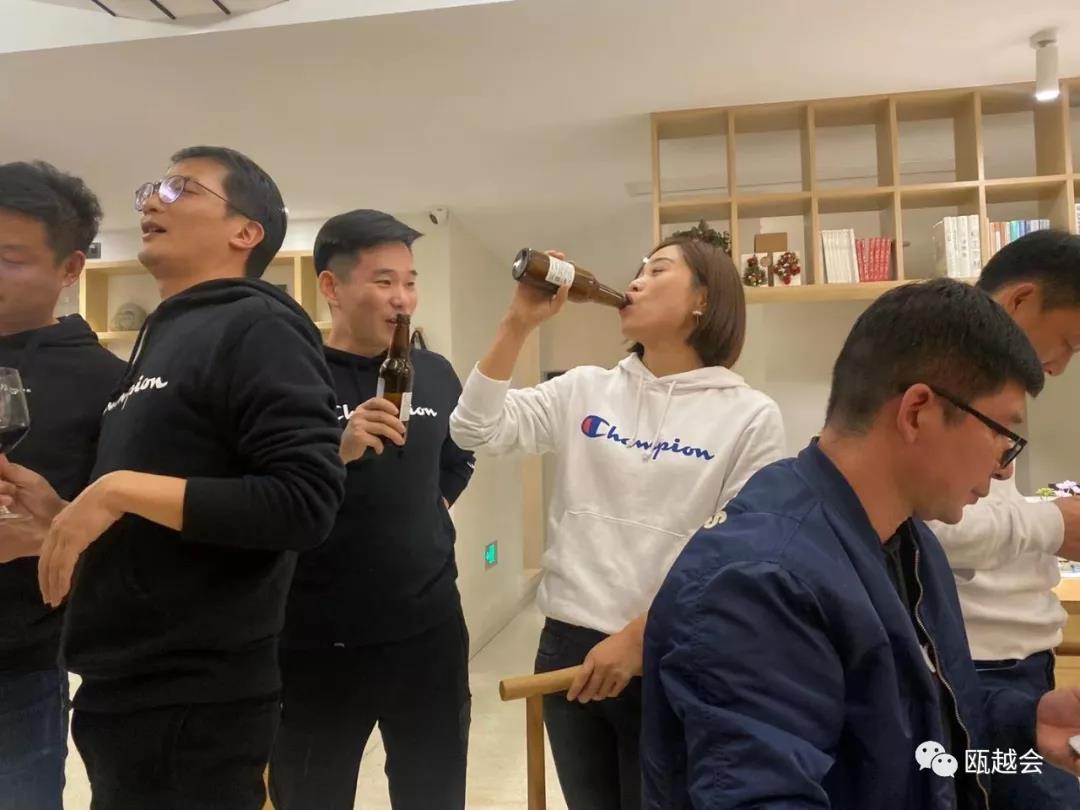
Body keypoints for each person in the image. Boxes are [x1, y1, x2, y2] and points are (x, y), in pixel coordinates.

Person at [642, 278, 1080, 809]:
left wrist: (1024, 724)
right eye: (1001, 433)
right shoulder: (763, 583)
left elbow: (922, 747)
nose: (1002, 464)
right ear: (917, 412)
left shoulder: (910, 543)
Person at [0, 146, 346, 810]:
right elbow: (165, 521)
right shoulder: (166, 336)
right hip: (128, 688)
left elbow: (305, 502)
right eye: (152, 190)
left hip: (196, 697)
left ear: (245, 231)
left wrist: (117, 489)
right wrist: (62, 515)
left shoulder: (258, 323)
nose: (151, 201)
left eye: (181, 188)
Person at [450, 235, 785, 810]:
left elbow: (740, 556)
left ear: (703, 300)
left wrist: (638, 639)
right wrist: (517, 322)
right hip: (568, 648)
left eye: (658, 271)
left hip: (671, 648)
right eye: (638, 269)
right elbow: (472, 430)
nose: (635, 281)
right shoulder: (586, 388)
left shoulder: (750, 416)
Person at [269, 210, 476, 810]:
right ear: (331, 287)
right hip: (315, 637)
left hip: (429, 631)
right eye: (384, 281)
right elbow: (264, 492)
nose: (402, 298)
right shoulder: (291, 376)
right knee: (310, 793)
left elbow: (459, 457)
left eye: (410, 281)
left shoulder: (434, 372)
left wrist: (430, 508)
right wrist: (338, 450)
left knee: (435, 794)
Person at [929, 230, 1080, 809]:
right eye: (1067, 343)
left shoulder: (986, 382)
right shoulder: (944, 377)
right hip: (977, 672)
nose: (1060, 368)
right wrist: (1053, 524)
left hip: (1019, 669)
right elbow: (935, 526)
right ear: (1019, 300)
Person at [0, 161, 124, 810]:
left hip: (18, 663)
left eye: (9, 258)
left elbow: (124, 540)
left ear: (71, 268)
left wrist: (46, 532)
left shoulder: (108, 383)